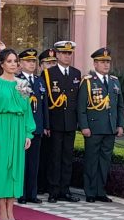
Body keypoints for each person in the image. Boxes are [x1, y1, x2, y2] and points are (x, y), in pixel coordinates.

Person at [0, 48, 35, 220]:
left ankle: (11, 209)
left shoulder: (23, 84)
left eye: (15, 61)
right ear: (2, 64)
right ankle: (1, 208)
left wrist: (28, 133)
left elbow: (28, 111)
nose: (13, 64)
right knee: (1, 168)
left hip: (19, 129)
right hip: (2, 128)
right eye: (9, 61)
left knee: (16, 170)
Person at [78, 48, 124, 203]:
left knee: (105, 161)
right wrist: (84, 126)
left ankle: (100, 191)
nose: (106, 65)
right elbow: (81, 107)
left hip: (110, 128)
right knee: (91, 161)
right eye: (103, 62)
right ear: (95, 63)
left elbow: (119, 106)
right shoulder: (88, 82)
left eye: (108, 62)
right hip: (94, 128)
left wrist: (120, 125)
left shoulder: (114, 81)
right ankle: (90, 192)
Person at [41, 41, 81, 203]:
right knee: (54, 157)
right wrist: (47, 124)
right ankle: (53, 190)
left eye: (69, 53)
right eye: (64, 53)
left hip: (70, 122)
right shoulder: (48, 73)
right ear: (57, 55)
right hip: (55, 122)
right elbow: (45, 102)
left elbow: (77, 100)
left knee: (67, 157)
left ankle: (65, 190)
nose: (67, 56)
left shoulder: (76, 73)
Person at [16, 49, 49, 204]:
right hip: (22, 128)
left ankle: (32, 193)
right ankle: (21, 194)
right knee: (22, 162)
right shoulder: (18, 80)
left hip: (37, 127)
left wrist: (45, 125)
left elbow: (44, 106)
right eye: (28, 61)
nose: (31, 64)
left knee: (34, 163)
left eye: (33, 61)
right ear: (20, 63)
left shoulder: (39, 81)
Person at [37, 48, 57, 194]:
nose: (51, 66)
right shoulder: (39, 81)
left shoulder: (57, 79)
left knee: (51, 156)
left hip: (54, 123)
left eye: (53, 63)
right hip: (38, 124)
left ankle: (46, 184)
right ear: (41, 65)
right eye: (47, 63)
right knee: (39, 156)